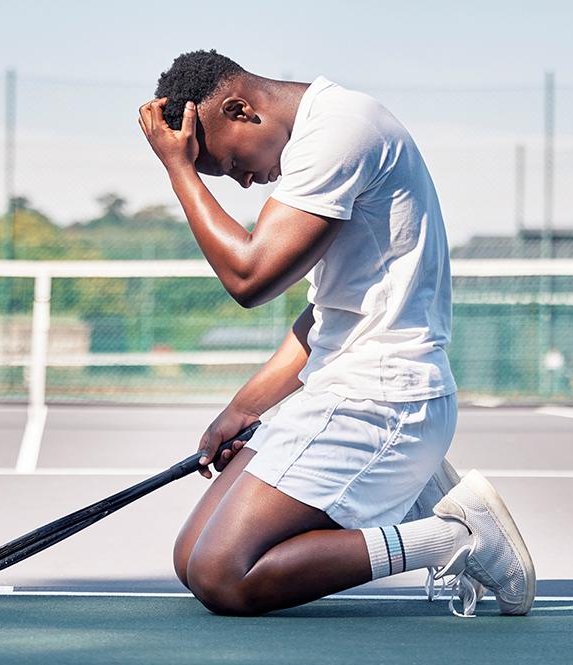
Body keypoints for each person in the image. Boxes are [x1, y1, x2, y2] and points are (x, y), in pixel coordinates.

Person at [137, 49, 534, 617]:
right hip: (344, 388)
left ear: (240, 109)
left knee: (225, 573)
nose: (246, 181)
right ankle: (423, 494)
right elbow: (327, 317)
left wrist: (177, 168)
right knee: (192, 558)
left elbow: (249, 276)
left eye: (229, 165)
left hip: (384, 396)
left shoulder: (339, 133)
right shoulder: (324, 135)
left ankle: (450, 537)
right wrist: (241, 408)